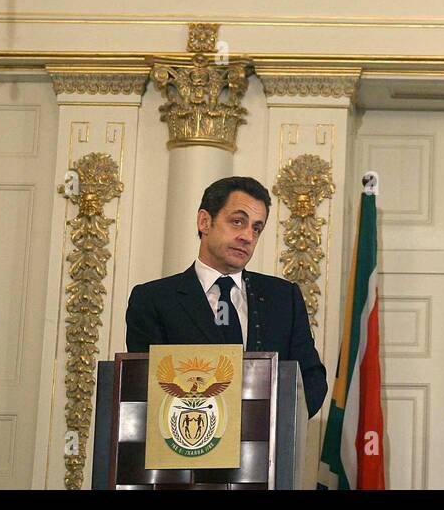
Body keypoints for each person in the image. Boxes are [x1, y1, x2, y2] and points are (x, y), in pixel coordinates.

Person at [126, 176, 328, 417]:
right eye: (237, 222)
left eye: (256, 228)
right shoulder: (153, 300)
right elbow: (144, 386)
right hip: (187, 442)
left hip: (267, 449)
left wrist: (272, 422)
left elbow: (312, 380)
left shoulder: (284, 298)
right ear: (204, 222)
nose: (248, 237)